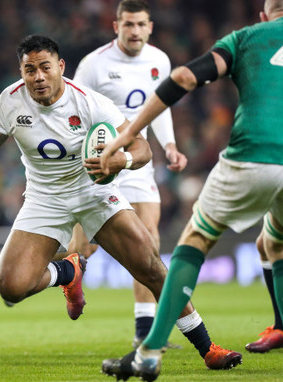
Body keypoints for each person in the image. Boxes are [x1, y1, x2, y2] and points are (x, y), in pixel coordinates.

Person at [0, 34, 239, 371]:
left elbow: (142, 150)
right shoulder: (10, 101)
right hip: (44, 200)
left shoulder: (91, 103)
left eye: (45, 67)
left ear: (60, 67)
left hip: (94, 194)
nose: (37, 77)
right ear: (21, 72)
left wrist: (120, 161)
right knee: (10, 287)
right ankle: (67, 270)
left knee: (151, 268)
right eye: (29, 69)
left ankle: (208, 348)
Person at [99, 1, 283, 380]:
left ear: (263, 16)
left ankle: (150, 351)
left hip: (251, 154)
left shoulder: (248, 37)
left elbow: (187, 78)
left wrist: (129, 132)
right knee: (282, 243)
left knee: (196, 237)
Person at [72, 0, 187, 350]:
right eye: (128, 24)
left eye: (140, 24)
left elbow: (161, 107)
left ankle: (144, 329)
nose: (134, 31)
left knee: (148, 241)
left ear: (150, 26)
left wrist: (169, 145)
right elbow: (71, 107)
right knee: (84, 248)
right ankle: (70, 275)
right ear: (115, 25)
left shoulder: (160, 60)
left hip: (137, 160)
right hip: (101, 160)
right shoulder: (94, 65)